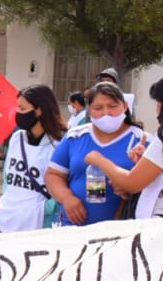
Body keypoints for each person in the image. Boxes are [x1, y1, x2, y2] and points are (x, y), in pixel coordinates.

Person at [84, 72, 163, 219]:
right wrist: (146, 160)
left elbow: (132, 182)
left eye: (159, 102)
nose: (157, 109)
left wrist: (99, 160)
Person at [45, 82, 142, 226]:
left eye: (113, 106)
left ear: (125, 106)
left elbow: (151, 186)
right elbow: (53, 175)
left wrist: (130, 191)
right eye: (98, 108)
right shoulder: (75, 136)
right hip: (72, 229)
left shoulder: (141, 141)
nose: (106, 113)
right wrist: (67, 198)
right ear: (89, 110)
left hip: (120, 234)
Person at [0, 85, 66, 232]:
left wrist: (46, 209)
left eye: (22, 109)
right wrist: (7, 202)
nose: (18, 114)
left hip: (40, 223)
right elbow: (7, 175)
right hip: (9, 218)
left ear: (39, 110)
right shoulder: (17, 138)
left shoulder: (60, 144)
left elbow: (64, 182)